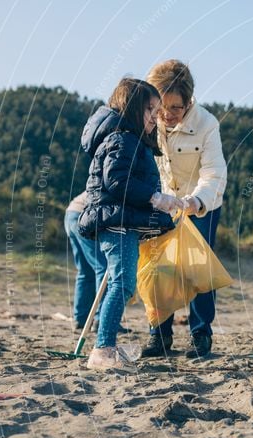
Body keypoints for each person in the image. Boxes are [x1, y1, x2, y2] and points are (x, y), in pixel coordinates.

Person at [78, 77, 182, 371]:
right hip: (116, 223)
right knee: (122, 284)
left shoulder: (130, 140)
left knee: (120, 282)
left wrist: (159, 200)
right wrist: (153, 197)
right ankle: (103, 350)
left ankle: (105, 345)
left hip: (122, 221)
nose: (156, 117)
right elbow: (117, 180)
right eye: (151, 109)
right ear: (133, 107)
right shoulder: (122, 139)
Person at [144, 60, 227, 359]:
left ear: (189, 100)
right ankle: (159, 336)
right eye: (161, 108)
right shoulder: (148, 121)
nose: (167, 115)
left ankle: (200, 334)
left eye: (176, 108)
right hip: (161, 205)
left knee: (198, 270)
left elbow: (215, 173)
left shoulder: (207, 124)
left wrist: (196, 201)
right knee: (159, 269)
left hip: (200, 205)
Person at [64, 192, 106, 330]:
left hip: (71, 214)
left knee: (85, 271)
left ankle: (81, 319)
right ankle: (101, 320)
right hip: (83, 216)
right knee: (102, 268)